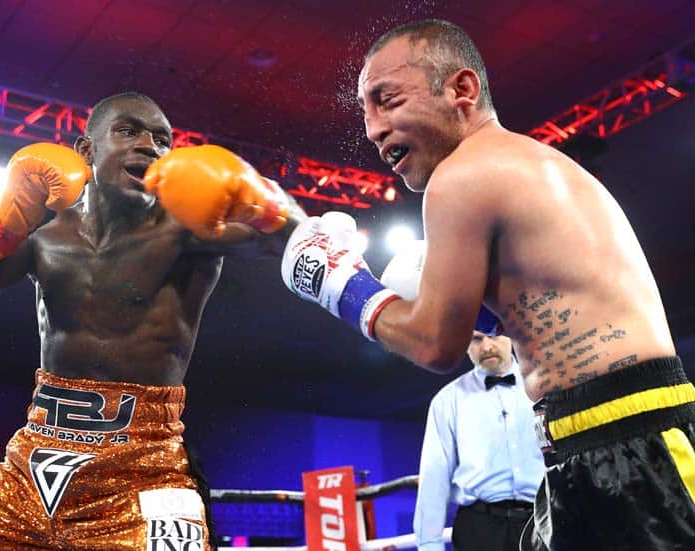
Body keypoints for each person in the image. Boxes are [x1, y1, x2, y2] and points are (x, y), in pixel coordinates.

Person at [272, 19, 694, 551]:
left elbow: (433, 344)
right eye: (366, 111)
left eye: (388, 100)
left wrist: (339, 283)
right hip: (612, 437)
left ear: (461, 90)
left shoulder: (462, 176)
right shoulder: (528, 163)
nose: (373, 129)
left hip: (624, 444)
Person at [0, 91, 305, 550]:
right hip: (34, 461)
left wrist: (265, 200)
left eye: (163, 140)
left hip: (146, 466)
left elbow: (299, 240)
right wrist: (3, 221)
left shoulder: (187, 231)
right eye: (128, 130)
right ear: (86, 150)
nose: (150, 146)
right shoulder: (43, 238)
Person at [414, 330, 544, 551]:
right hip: (479, 527)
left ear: (509, 336)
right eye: (476, 339)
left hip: (543, 519)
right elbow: (435, 475)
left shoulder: (543, 385)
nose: (486, 347)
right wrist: (429, 544)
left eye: (493, 336)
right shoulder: (448, 400)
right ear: (464, 345)